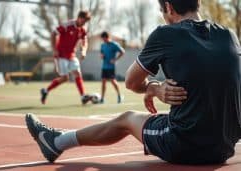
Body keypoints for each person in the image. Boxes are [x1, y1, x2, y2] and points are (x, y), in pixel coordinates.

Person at [26, 0, 241, 164]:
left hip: (185, 145)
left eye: (161, 12)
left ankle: (56, 142)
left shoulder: (165, 34)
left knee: (127, 119)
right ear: (199, 3)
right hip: (225, 147)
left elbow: (130, 82)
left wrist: (153, 88)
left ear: (168, 7)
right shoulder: (229, 36)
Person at [40, 11, 92, 105]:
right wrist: (54, 49)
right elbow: (53, 34)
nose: (84, 24)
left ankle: (83, 96)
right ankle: (46, 90)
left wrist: (84, 50)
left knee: (77, 73)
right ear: (79, 17)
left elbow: (85, 40)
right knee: (65, 78)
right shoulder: (67, 25)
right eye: (83, 21)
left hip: (72, 55)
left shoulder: (82, 29)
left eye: (85, 22)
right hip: (61, 55)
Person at [99, 31, 125, 104]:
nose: (104, 40)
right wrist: (101, 56)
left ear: (108, 37)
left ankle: (119, 96)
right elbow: (101, 53)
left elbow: (122, 51)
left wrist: (115, 59)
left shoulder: (114, 44)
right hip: (104, 66)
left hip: (111, 67)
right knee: (103, 82)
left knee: (113, 81)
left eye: (105, 38)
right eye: (103, 39)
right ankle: (102, 98)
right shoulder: (102, 45)